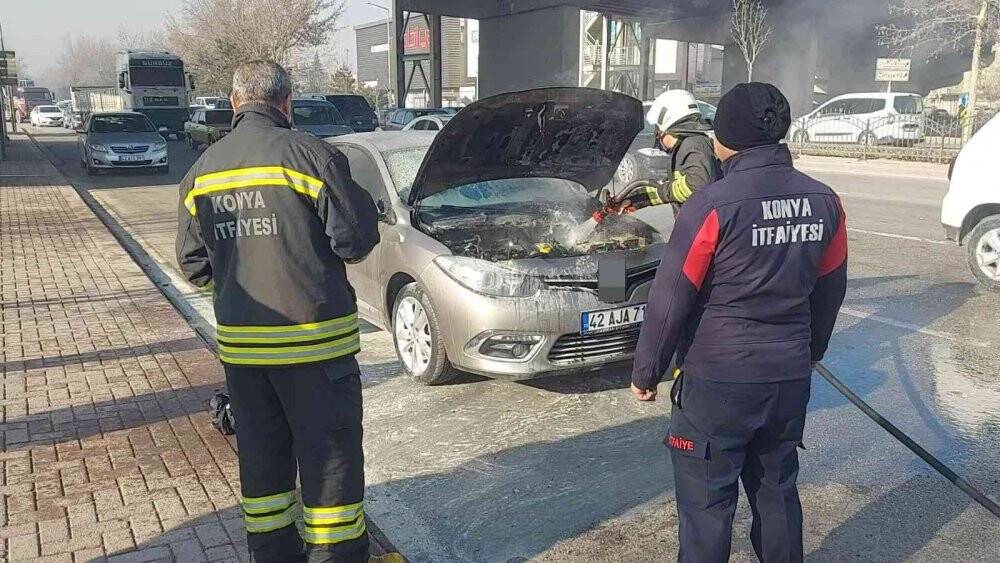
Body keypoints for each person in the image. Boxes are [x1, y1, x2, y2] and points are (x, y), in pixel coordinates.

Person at [630, 82, 848, 563]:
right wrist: (810, 353)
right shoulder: (825, 200)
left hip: (717, 384)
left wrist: (646, 372)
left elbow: (670, 299)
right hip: (786, 381)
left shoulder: (712, 205)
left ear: (727, 136)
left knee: (707, 508)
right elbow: (831, 291)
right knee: (776, 493)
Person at [176, 61, 380, 563]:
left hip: (246, 358)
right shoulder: (313, 157)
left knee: (263, 471)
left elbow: (193, 265)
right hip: (317, 352)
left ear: (233, 103)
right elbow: (355, 241)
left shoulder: (201, 173)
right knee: (330, 469)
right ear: (286, 103)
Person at [613, 89, 721, 213]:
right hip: (695, 224)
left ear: (666, 125)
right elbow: (671, 186)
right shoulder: (686, 146)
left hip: (701, 227)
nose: (657, 134)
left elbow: (697, 185)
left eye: (657, 129)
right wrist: (636, 199)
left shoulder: (694, 144)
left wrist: (663, 191)